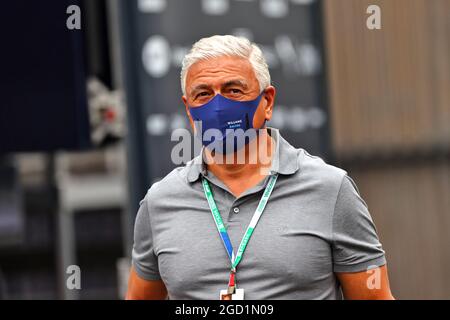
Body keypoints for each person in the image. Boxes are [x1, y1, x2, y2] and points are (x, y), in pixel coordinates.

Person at [126, 35, 394, 300]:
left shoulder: (330, 190)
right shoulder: (159, 202)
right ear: (188, 108)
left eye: (234, 90)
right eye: (203, 94)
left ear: (267, 102)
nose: (218, 107)